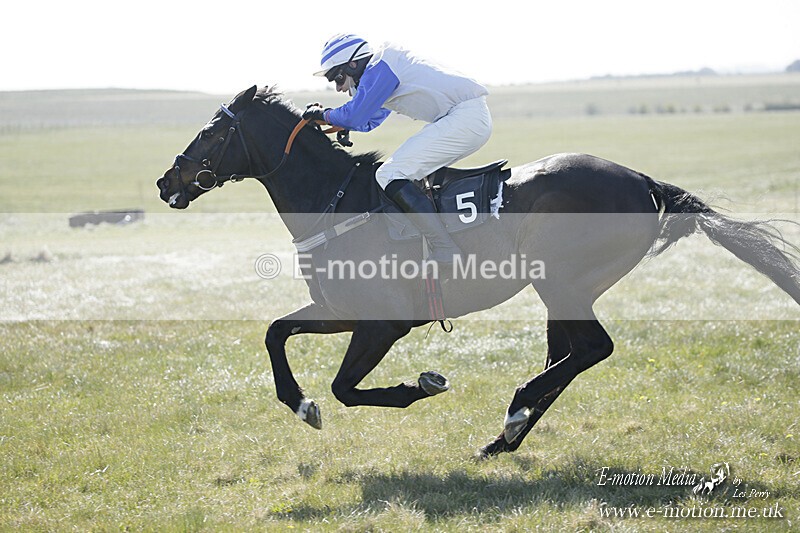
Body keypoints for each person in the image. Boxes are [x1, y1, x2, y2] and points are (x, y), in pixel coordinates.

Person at [303, 33, 492, 264]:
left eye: (338, 78)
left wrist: (323, 115)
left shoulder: (380, 67)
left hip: (465, 118)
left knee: (389, 174)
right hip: (463, 119)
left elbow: (354, 115)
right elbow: (368, 120)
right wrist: (337, 122)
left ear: (353, 64)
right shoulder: (380, 71)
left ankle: (445, 248)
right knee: (403, 173)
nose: (339, 88)